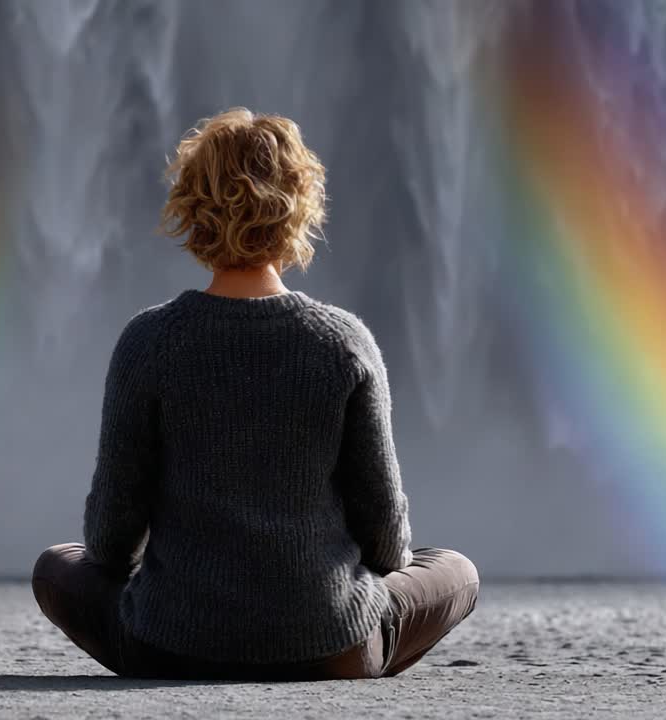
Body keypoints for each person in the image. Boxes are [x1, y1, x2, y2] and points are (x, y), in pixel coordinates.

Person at [32, 107, 478, 680]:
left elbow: (110, 540)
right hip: (330, 647)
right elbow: (388, 541)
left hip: (169, 645)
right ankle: (344, 646)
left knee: (56, 566)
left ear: (190, 209)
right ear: (301, 207)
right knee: (455, 569)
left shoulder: (148, 342)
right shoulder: (343, 342)